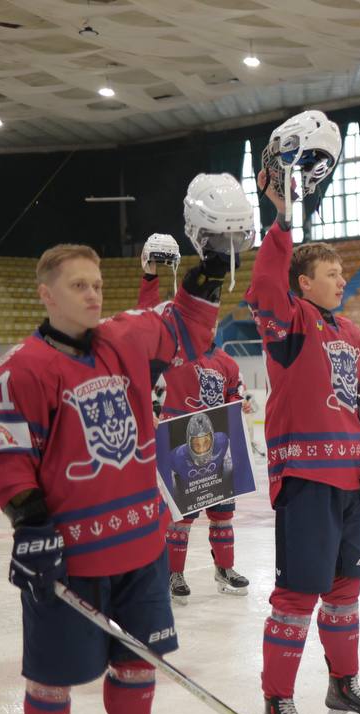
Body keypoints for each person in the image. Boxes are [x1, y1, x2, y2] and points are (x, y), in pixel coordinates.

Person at [0, 236, 226, 714]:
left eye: (96, 284)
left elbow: (186, 331)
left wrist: (207, 279)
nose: (93, 294)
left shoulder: (124, 337)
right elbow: (9, 460)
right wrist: (31, 525)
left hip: (141, 544)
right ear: (47, 296)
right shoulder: (22, 369)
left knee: (139, 663)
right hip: (71, 556)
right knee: (53, 676)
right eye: (77, 286)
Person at [252, 168, 360, 714]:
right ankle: (278, 701)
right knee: (298, 594)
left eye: (343, 272)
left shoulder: (355, 334)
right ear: (303, 283)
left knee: (345, 589)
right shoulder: (288, 324)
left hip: (349, 483)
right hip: (307, 480)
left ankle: (343, 686)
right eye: (331, 273)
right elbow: (266, 282)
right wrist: (285, 218)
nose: (342, 280)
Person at [136, 246, 250, 603]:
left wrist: (238, 408)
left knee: (222, 515)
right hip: (180, 444)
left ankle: (224, 569)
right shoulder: (173, 354)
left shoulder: (227, 362)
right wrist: (151, 277)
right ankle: (174, 575)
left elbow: (235, 394)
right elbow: (146, 321)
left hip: (218, 446)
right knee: (181, 519)